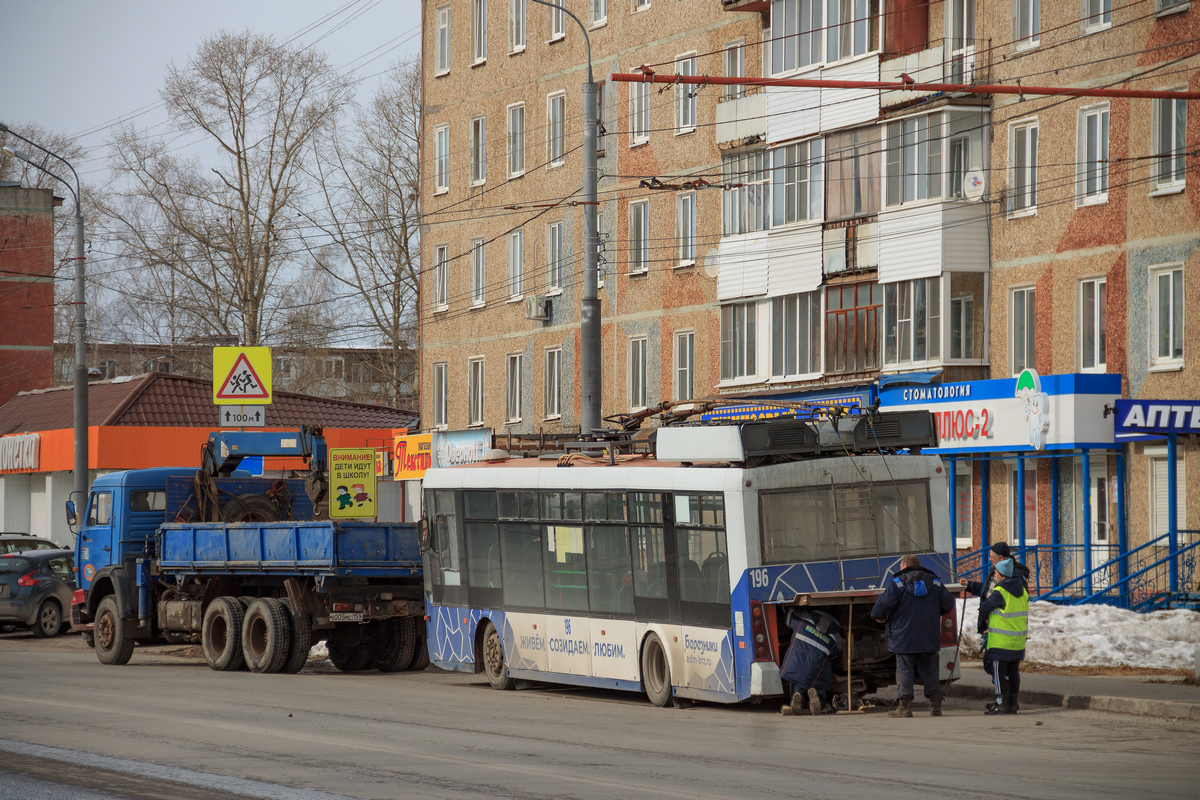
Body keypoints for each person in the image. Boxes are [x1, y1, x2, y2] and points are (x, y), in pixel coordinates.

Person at [871, 554, 955, 718]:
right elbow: (948, 603)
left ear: (903, 565)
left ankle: (904, 707)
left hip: (904, 636)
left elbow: (883, 604)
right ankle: (936, 705)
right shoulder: (935, 582)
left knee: (905, 670)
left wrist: (877, 616)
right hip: (928, 635)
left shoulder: (898, 583)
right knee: (930, 670)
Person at [977, 555, 1029, 715]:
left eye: (995, 573)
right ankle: (1012, 704)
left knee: (998, 671)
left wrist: (982, 627)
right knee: (1013, 672)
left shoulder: (1001, 591)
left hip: (1001, 641)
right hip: (1017, 640)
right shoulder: (1022, 590)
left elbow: (985, 607)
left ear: (1002, 573)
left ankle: (1001, 704)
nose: (994, 575)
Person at [779, 607, 843, 716]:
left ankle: (797, 697)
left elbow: (788, 616)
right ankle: (818, 699)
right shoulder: (836, 637)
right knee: (823, 669)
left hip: (794, 666)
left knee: (797, 681)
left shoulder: (803, 619)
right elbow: (835, 653)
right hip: (815, 671)